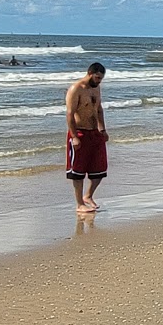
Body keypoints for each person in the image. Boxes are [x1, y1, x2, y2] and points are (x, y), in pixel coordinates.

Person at [65, 63, 108, 213]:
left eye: (101, 79)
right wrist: (75, 136)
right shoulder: (76, 89)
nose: (98, 81)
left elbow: (99, 109)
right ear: (89, 73)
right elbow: (70, 114)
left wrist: (102, 129)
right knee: (78, 171)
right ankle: (79, 204)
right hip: (80, 132)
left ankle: (88, 196)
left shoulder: (96, 88)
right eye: (97, 78)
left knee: (100, 169)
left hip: (94, 132)